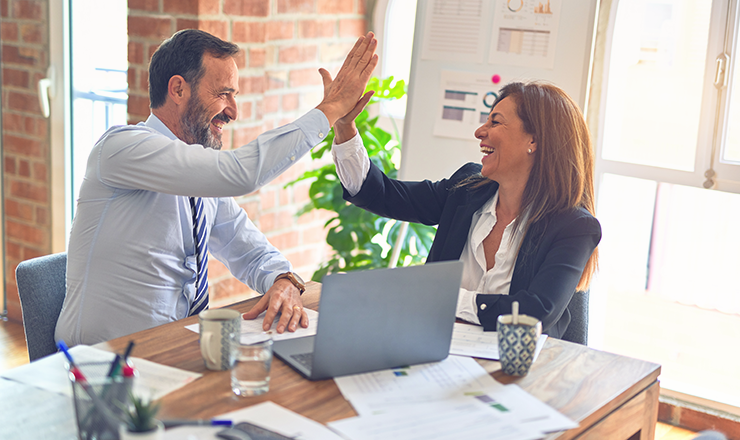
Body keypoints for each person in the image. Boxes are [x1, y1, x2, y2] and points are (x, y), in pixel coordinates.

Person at [55, 29, 378, 346]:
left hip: (174, 351)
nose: (233, 112)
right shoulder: (122, 148)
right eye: (224, 93)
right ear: (178, 90)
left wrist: (284, 280)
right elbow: (241, 173)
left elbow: (248, 249)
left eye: (234, 96)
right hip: (101, 365)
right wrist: (330, 109)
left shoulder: (199, 178)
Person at [331, 81, 601, 340]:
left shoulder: (574, 226)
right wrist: (345, 128)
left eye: (495, 122)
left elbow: (534, 313)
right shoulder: (466, 189)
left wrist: (442, 297)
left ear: (534, 140)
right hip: (435, 351)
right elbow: (383, 195)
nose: (480, 131)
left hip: (519, 372)